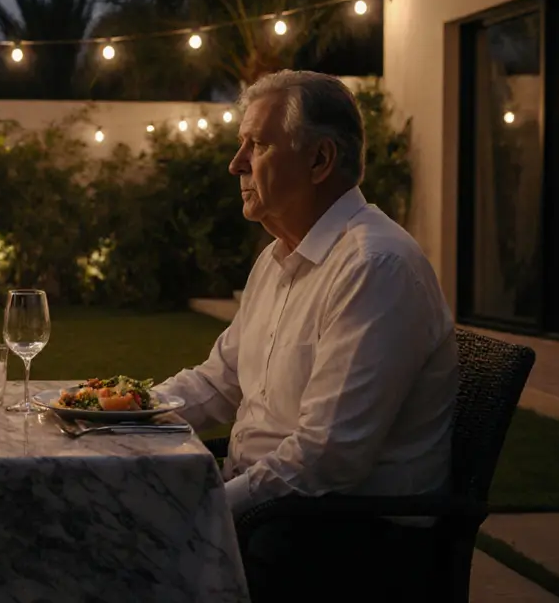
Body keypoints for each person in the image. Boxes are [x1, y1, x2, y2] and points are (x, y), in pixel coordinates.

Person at [155, 70, 458, 602]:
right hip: (281, 511)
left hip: (347, 539)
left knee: (131, 549)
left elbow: (327, 456)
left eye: (258, 145)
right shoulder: (278, 260)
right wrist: (122, 409)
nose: (236, 163)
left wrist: (212, 507)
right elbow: (219, 380)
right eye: (240, 145)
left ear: (319, 161)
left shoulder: (374, 267)